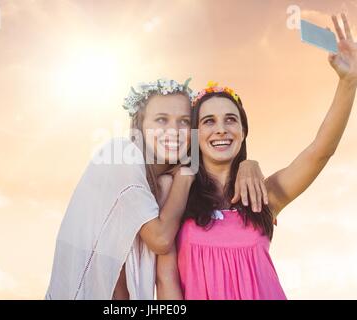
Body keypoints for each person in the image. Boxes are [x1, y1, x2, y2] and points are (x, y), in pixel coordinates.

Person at [156, 14, 357, 300]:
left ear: (243, 131)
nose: (221, 129)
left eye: (230, 120)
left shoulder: (264, 195)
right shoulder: (178, 193)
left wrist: (349, 82)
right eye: (209, 122)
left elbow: (320, 152)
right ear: (194, 135)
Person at [45, 79, 267, 300]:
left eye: (184, 121)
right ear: (140, 126)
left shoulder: (166, 183)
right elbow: (160, 239)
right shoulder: (121, 155)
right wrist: (185, 176)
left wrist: (247, 164)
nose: (174, 130)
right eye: (161, 120)